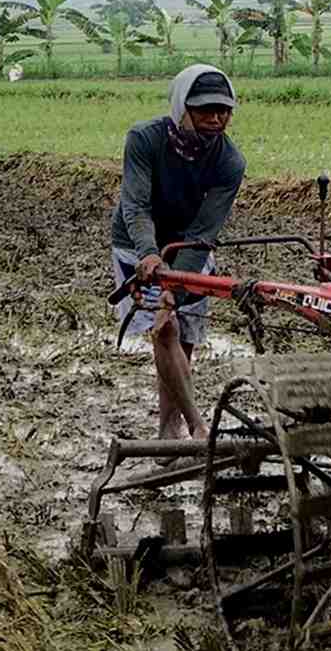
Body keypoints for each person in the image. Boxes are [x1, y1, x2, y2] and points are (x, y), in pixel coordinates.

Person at [110, 64, 246, 442]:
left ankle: (168, 432)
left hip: (189, 246)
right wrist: (150, 256)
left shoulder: (229, 162)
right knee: (164, 330)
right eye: (204, 109)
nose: (215, 118)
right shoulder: (144, 140)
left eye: (223, 110)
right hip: (138, 243)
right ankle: (197, 426)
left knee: (182, 339)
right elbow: (135, 205)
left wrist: (175, 289)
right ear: (180, 106)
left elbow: (204, 231)